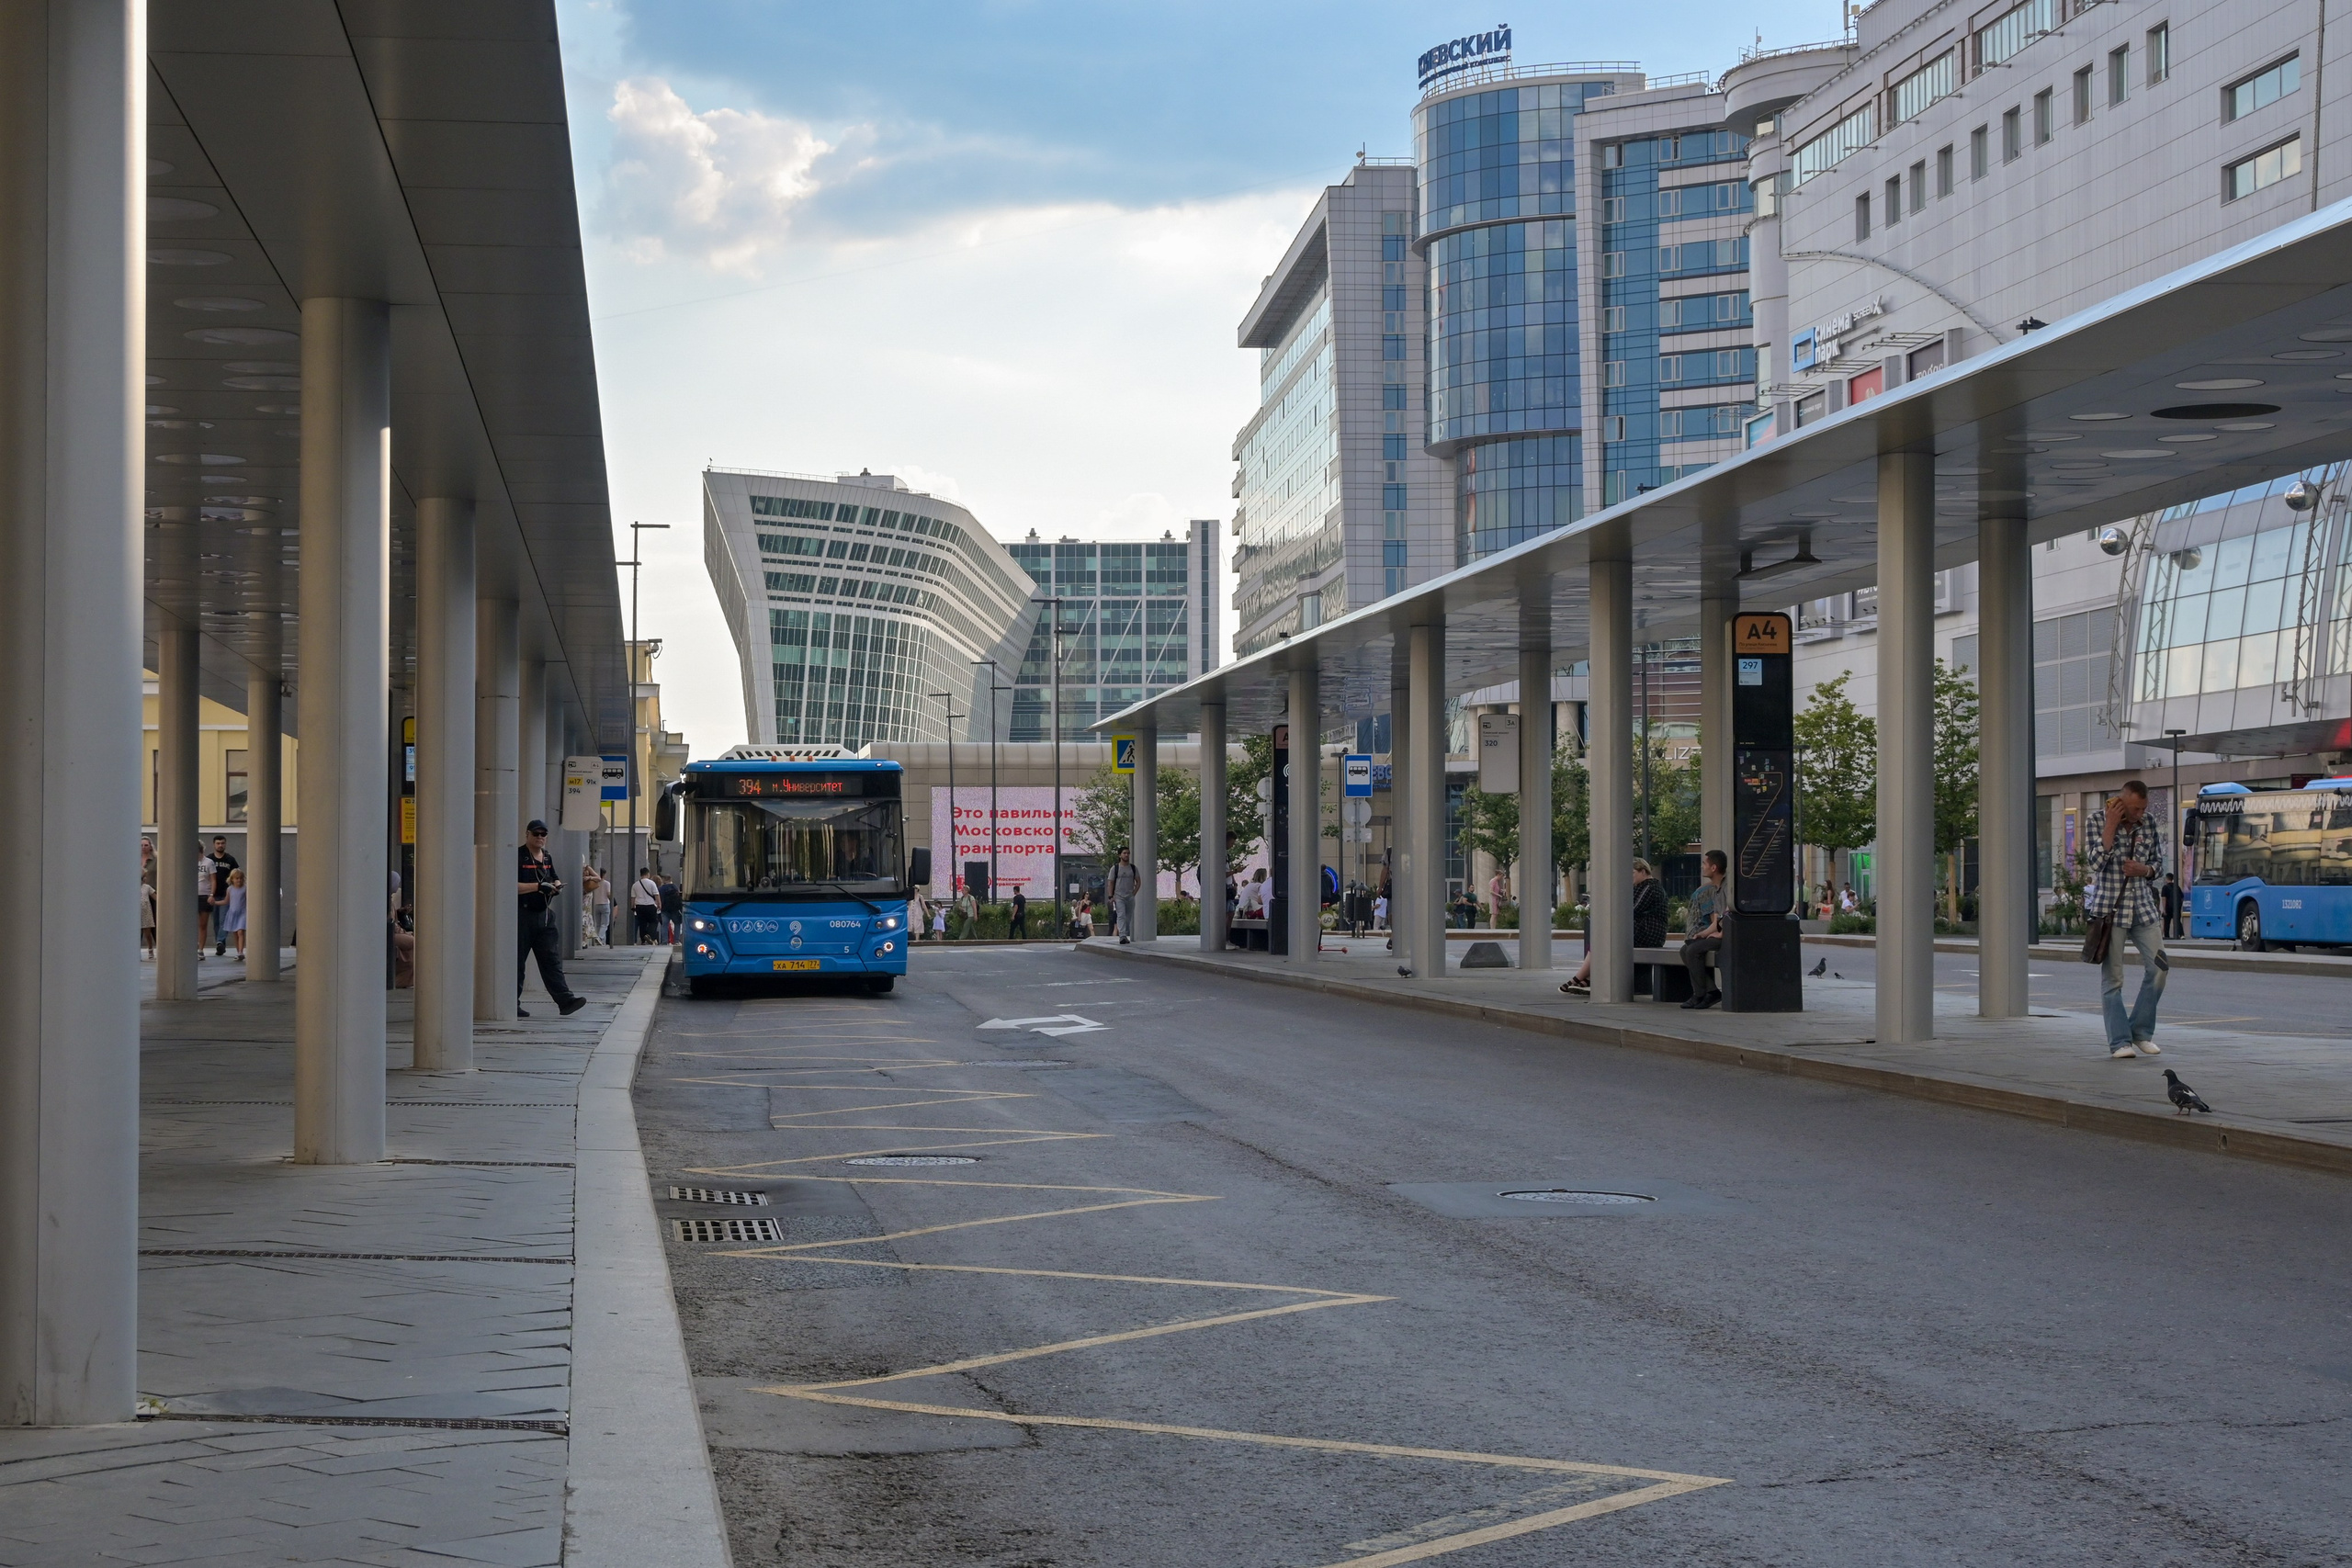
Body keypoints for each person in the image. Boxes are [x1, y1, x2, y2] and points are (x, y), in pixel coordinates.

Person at [2088, 779, 2168, 1059]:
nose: (2139, 814)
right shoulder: (2096, 821)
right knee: (2113, 979)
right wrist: (2110, 826)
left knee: (2159, 968)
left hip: (2144, 908)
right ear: (2121, 802)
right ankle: (2119, 1042)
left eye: (2143, 808)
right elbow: (2095, 864)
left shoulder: (2148, 824)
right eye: (2135, 808)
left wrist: (2144, 870)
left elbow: (2159, 864)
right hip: (2111, 910)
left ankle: (2141, 1032)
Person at [1560, 858, 1670, 994]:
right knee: (1602, 942)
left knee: (1604, 943)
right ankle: (1587, 979)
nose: (1629, 877)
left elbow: (1631, 909)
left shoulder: (1650, 887)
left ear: (1643, 871)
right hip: (1638, 931)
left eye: (1632, 873)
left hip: (1648, 933)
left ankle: (1580, 979)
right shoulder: (1640, 887)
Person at [517, 821, 587, 1018]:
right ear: (527, 834)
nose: (540, 837)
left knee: (551, 961)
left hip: (544, 915)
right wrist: (539, 887)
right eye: (536, 834)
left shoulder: (546, 856)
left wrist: (556, 885)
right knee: (517, 963)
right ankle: (511, 1003)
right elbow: (510, 884)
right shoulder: (519, 855)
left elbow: (554, 876)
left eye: (544, 834)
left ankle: (565, 1001)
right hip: (523, 914)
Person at [1678, 850, 1729, 1010]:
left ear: (1713, 868)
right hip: (1720, 933)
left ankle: (1700, 994)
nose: (1702, 867)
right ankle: (1711, 991)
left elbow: (1731, 914)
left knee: (1693, 951)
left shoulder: (1728, 888)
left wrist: (1721, 933)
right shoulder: (1717, 889)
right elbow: (1717, 919)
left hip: (1730, 936)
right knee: (1686, 948)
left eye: (1704, 864)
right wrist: (1704, 933)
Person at [208, 836, 239, 955]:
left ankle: (220, 941)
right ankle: (220, 944)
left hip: (226, 895)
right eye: (218, 843)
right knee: (215, 921)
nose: (220, 845)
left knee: (223, 920)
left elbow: (237, 875)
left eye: (222, 843)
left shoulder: (230, 860)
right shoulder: (209, 859)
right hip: (213, 895)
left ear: (225, 844)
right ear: (214, 845)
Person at [1110, 847, 1141, 944]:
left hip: (1130, 896)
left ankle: (1124, 934)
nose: (1126, 855)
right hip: (1119, 896)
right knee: (1121, 915)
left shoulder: (1133, 868)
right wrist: (1111, 896)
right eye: (1124, 853)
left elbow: (1138, 881)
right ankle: (1122, 936)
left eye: (1128, 853)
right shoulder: (1115, 868)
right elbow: (1110, 883)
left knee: (1128, 917)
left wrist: (1134, 893)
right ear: (1120, 855)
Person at [194, 844, 216, 957]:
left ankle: (201, 949)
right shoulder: (189, 861)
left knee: (203, 924)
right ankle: (193, 945)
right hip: (191, 895)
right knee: (191, 924)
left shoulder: (209, 862)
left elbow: (213, 880)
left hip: (204, 895)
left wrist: (212, 894)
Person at [223, 868, 248, 963]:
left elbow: (248, 900)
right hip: (233, 913)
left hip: (242, 912)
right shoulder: (229, 889)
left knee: (240, 931)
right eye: (237, 878)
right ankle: (238, 952)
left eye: (241, 878)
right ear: (232, 879)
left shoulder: (245, 888)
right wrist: (215, 902)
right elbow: (226, 901)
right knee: (235, 933)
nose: (239, 880)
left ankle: (241, 952)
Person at [631, 866, 662, 944]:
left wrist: (632, 906)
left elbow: (633, 897)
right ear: (648, 874)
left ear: (641, 874)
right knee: (653, 921)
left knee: (642, 923)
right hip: (650, 905)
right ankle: (649, 934)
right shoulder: (651, 883)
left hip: (639, 906)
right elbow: (656, 894)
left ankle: (643, 940)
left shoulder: (635, 885)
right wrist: (659, 903)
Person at [590, 865, 614, 946]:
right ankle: (599, 937)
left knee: (598, 924)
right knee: (605, 924)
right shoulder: (607, 883)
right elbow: (608, 894)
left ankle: (602, 942)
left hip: (596, 904)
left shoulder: (595, 883)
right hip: (605, 904)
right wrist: (612, 898)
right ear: (604, 874)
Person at [580, 863, 603, 945]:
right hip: (580, 892)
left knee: (584, 914)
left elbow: (598, 878)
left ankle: (584, 939)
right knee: (585, 914)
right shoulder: (574, 868)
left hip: (586, 892)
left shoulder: (586, 868)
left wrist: (589, 877)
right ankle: (593, 935)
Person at [2160, 872, 2185, 942]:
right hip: (2176, 907)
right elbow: (2182, 897)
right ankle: (2181, 935)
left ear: (2166, 878)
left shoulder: (2165, 887)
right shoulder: (2177, 886)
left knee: (2167, 922)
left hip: (2168, 907)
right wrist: (2179, 905)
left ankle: (2167, 936)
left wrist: (2164, 909)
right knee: (2177, 921)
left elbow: (2164, 898)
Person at [660, 871, 683, 943]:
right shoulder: (675, 887)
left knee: (665, 925)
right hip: (674, 909)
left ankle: (665, 941)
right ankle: (677, 940)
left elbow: (660, 898)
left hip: (665, 910)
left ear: (664, 880)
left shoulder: (661, 888)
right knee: (677, 923)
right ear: (670, 879)